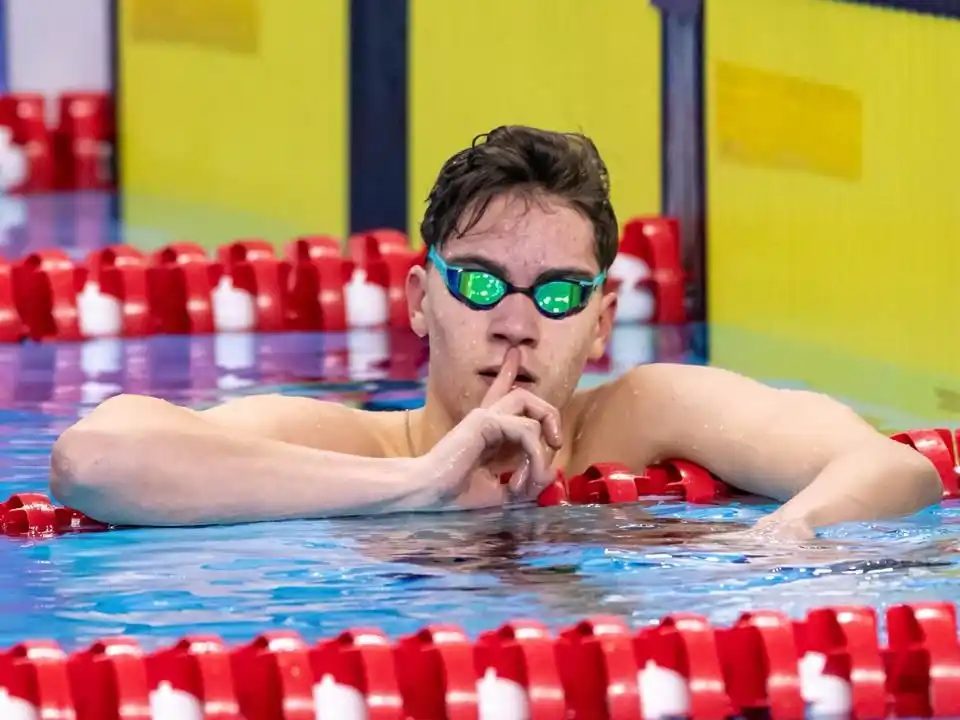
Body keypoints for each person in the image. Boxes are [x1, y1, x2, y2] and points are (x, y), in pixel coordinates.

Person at [49, 125, 942, 535]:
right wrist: (418, 484)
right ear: (417, 301)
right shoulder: (346, 443)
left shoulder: (646, 414)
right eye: (479, 283)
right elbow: (94, 462)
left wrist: (775, 550)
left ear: (602, 323)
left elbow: (892, 468)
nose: (517, 323)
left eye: (557, 295)